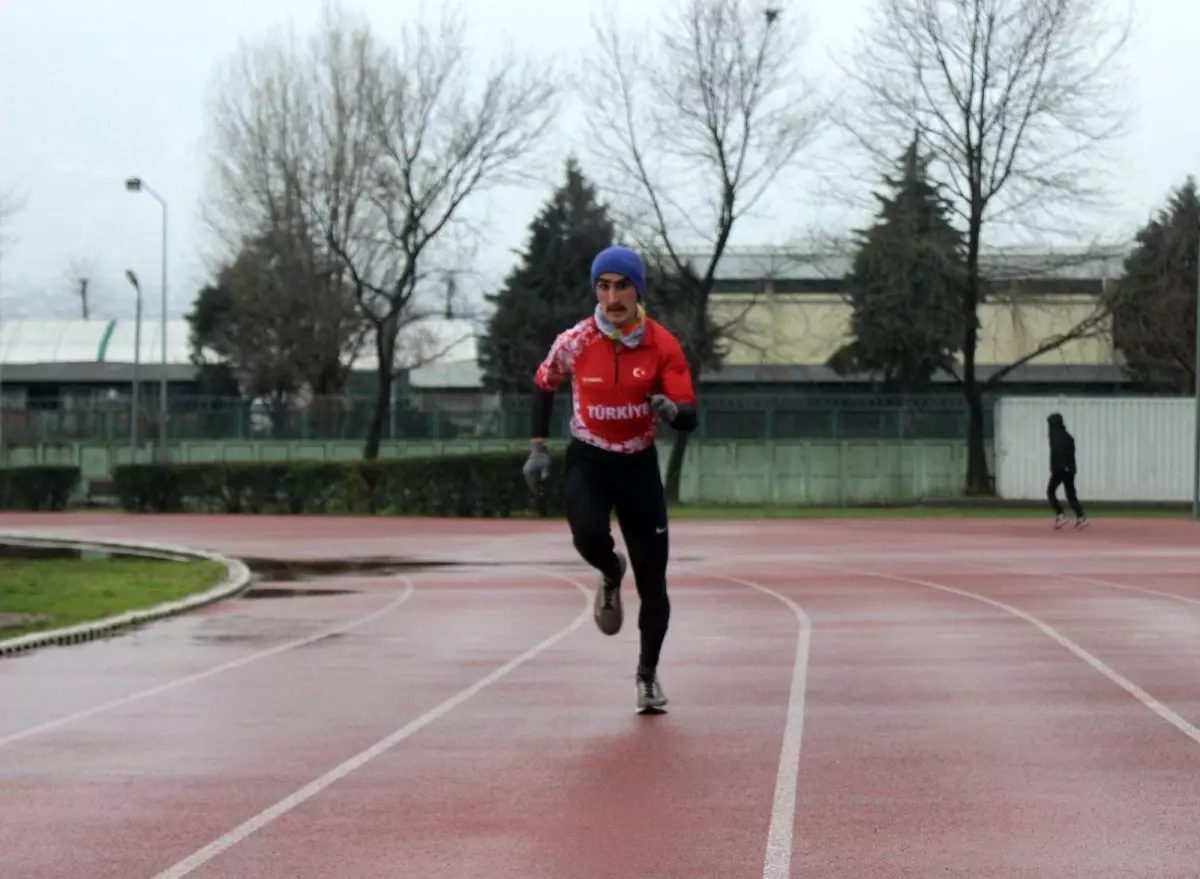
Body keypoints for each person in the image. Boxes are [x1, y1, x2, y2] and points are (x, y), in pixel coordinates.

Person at [522, 245, 698, 714]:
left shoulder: (663, 344)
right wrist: (537, 448)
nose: (612, 296)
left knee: (654, 583)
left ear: (638, 289)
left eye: (622, 285)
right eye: (604, 286)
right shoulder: (576, 341)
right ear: (595, 290)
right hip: (590, 460)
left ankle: (646, 676)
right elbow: (544, 383)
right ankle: (607, 568)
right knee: (585, 534)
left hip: (638, 467)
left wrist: (671, 409)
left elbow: (689, 415)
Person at [1047, 412, 1087, 529]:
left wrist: (1061, 465)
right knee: (1071, 494)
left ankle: (1060, 514)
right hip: (1070, 469)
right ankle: (1080, 517)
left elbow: (1059, 453)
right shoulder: (1068, 436)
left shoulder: (1055, 437)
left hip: (1060, 469)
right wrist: (1069, 466)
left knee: (1050, 491)